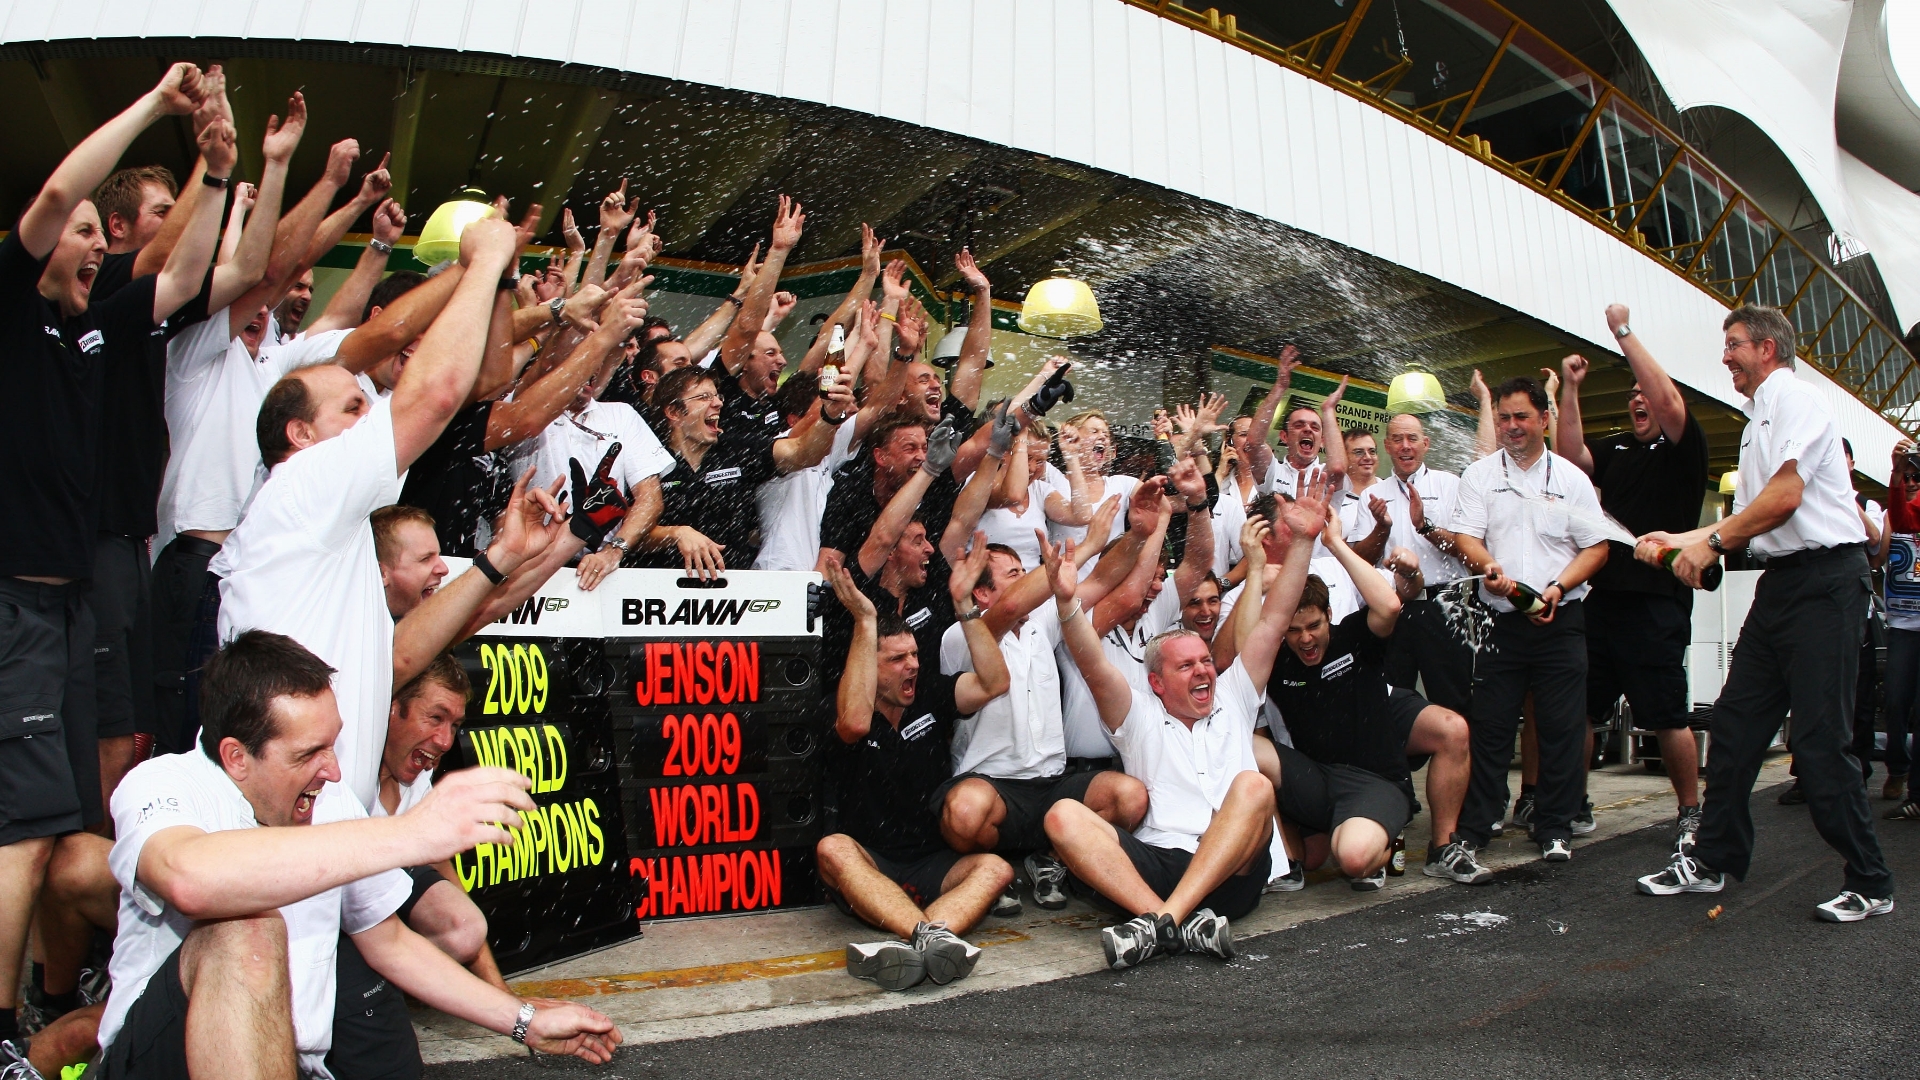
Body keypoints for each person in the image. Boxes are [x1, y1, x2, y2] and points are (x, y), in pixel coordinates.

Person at [95, 631, 619, 1079]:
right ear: (236, 757)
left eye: (333, 746)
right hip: (160, 1059)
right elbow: (189, 877)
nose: (334, 772)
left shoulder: (331, 800)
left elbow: (390, 943)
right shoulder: (162, 783)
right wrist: (411, 834)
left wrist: (523, 1019)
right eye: (308, 754)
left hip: (286, 1060)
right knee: (245, 929)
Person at [0, 62, 229, 1049]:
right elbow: (57, 197)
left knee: (54, 827)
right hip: (14, 601)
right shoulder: (10, 307)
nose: (94, 247)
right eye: (86, 236)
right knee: (19, 832)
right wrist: (156, 108)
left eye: (102, 235)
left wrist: (219, 169)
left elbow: (180, 276)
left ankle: (51, 997)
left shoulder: (89, 333)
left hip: (68, 609)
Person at [213, 214, 527, 809]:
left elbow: (400, 656)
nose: (372, 417)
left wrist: (510, 554)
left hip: (336, 833)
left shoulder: (334, 526)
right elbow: (436, 395)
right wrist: (485, 262)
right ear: (301, 434)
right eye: (354, 407)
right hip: (293, 845)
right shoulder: (306, 483)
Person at [1633, 304, 1895, 922]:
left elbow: (1783, 499)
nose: (1726, 356)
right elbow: (1745, 521)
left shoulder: (1795, 400)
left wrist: (1708, 544)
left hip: (1829, 584)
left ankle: (1872, 881)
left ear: (1769, 349)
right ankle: (1713, 860)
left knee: (1820, 742)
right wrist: (1681, 537)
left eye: (1734, 345)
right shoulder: (1756, 423)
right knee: (1735, 725)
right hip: (1783, 588)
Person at [1047, 478, 1345, 970]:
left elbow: (1272, 622)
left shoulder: (1234, 694)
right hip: (1159, 864)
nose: (1205, 670)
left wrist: (1305, 544)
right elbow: (1093, 665)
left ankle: (1160, 924)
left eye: (1205, 661)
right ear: (1157, 683)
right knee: (1062, 815)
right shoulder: (1136, 711)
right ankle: (1175, 922)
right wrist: (1066, 605)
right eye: (1186, 667)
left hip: (1235, 869)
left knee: (1253, 786)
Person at [1259, 503, 1490, 890]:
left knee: (1352, 857)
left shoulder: (1351, 636)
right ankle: (1294, 860)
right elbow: (1245, 641)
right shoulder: (1277, 657)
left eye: (1314, 625)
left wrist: (1333, 541)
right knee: (1247, 750)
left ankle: (1438, 846)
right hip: (1318, 775)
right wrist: (1253, 572)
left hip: (1373, 768)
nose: (1306, 638)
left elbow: (1389, 604)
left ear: (1328, 615)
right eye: (1294, 630)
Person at [818, 556, 1014, 992]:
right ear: (869, 665)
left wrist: (964, 606)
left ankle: (920, 938)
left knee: (996, 868)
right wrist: (866, 621)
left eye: (914, 655)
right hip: (872, 864)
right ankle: (932, 935)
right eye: (896, 660)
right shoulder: (845, 704)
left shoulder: (929, 693)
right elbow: (853, 725)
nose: (912, 666)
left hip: (930, 862)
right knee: (832, 850)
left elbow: (995, 683)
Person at [1557, 304, 1712, 850]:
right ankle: (1573, 802)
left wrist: (1621, 330)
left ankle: (1691, 810)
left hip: (1656, 605)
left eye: (1645, 395)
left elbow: (1669, 399)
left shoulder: (1684, 449)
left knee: (1668, 714)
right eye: (1632, 397)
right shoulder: (1619, 446)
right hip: (1604, 601)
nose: (1639, 401)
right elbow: (1569, 456)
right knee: (1580, 710)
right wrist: (1571, 390)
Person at [1449, 376, 1611, 862]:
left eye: (1522, 416)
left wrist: (1558, 588)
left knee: (1562, 728)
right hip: (1500, 619)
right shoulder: (1480, 476)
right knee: (1491, 727)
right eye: (1504, 417)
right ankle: (1476, 827)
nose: (1512, 426)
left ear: (1544, 419)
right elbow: (1466, 539)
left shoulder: (1570, 480)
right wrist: (1487, 568)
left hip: (1561, 618)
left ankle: (1555, 826)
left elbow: (1598, 548)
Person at [1373, 412, 1476, 716]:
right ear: (1387, 445)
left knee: (1453, 700)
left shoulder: (1451, 486)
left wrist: (1425, 526)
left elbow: (1466, 551)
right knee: (1390, 701)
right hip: (1393, 606)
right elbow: (1364, 558)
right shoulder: (1374, 495)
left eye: (1412, 438)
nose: (1406, 446)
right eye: (1398, 439)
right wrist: (1380, 528)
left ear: (1426, 444)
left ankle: (1458, 761)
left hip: (1444, 605)